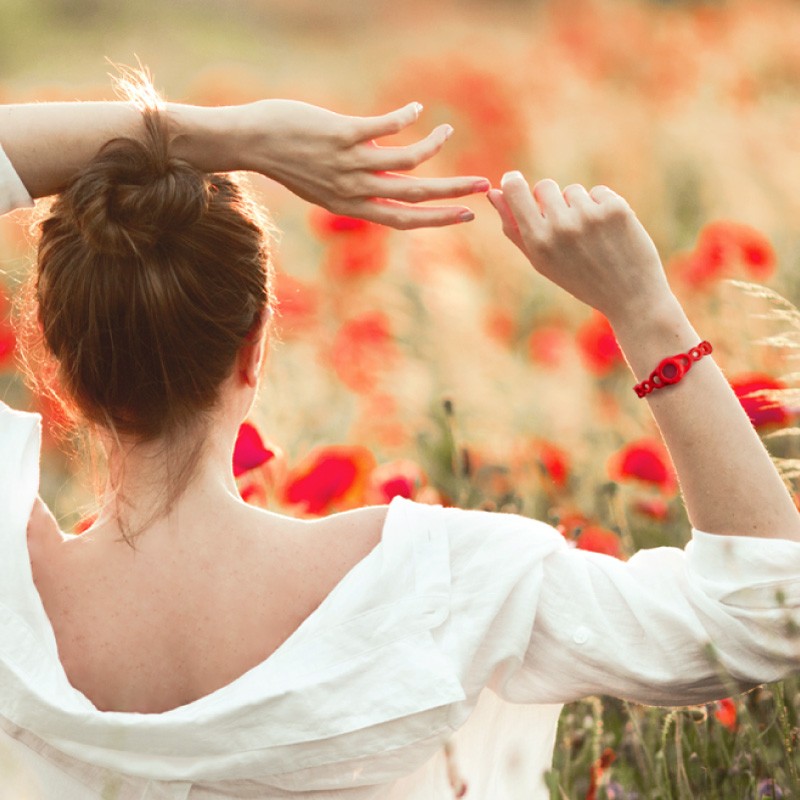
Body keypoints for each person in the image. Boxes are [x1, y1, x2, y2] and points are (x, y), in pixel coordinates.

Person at [0, 78, 798, 800]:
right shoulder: (435, 583)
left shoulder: (13, 592)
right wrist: (645, 309)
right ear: (255, 347)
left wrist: (222, 133)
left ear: (58, 365)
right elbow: (766, 610)